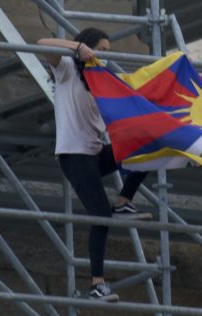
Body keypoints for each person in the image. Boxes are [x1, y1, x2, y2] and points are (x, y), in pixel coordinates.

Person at [37, 31, 149, 301]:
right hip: (74, 156)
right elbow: (41, 43)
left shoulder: (103, 81)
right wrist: (77, 48)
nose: (102, 56)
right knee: (100, 215)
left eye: (106, 51)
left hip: (95, 153)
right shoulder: (66, 71)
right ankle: (97, 284)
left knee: (146, 146)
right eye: (99, 49)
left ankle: (123, 201)